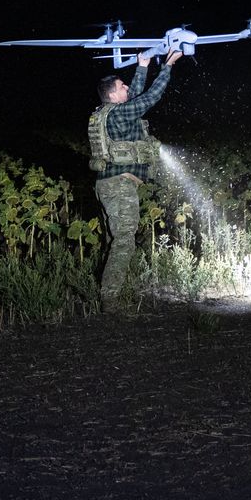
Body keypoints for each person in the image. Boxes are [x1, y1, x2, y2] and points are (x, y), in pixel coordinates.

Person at [89, 48, 183, 312]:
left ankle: (111, 291)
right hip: (118, 185)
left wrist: (142, 66)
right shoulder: (118, 114)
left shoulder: (111, 112)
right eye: (122, 85)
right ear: (112, 94)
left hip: (111, 184)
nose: (127, 87)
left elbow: (137, 98)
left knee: (115, 240)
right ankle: (110, 300)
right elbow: (150, 98)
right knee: (124, 240)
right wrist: (168, 66)